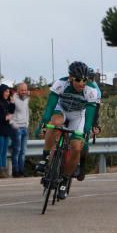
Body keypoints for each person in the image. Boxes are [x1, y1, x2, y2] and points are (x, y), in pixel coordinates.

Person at [35, 61, 101, 199]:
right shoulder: (60, 84)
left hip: (79, 115)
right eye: (78, 80)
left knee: (76, 147)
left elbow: (90, 115)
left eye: (84, 80)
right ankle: (46, 156)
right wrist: (43, 124)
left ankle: (65, 178)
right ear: (70, 77)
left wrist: (87, 132)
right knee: (55, 123)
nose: (82, 83)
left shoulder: (92, 90)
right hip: (62, 110)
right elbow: (49, 108)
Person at [10, 82, 31, 177]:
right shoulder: (13, 99)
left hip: (24, 128)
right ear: (17, 90)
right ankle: (15, 171)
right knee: (17, 150)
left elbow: (27, 112)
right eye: (22, 90)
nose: (24, 91)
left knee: (23, 151)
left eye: (25, 90)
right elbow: (9, 113)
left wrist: (27, 124)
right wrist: (14, 125)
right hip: (17, 128)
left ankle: (22, 170)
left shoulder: (26, 99)